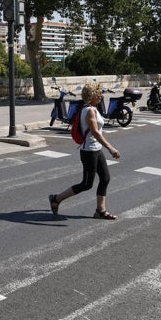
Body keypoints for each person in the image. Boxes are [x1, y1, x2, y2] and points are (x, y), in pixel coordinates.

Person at [48, 82, 121, 220]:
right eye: (99, 93)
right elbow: (95, 132)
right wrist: (110, 148)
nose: (101, 95)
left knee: (105, 178)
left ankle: (100, 211)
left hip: (96, 149)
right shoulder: (89, 111)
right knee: (86, 184)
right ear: (93, 95)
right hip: (89, 152)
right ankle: (56, 199)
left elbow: (97, 132)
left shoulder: (93, 108)